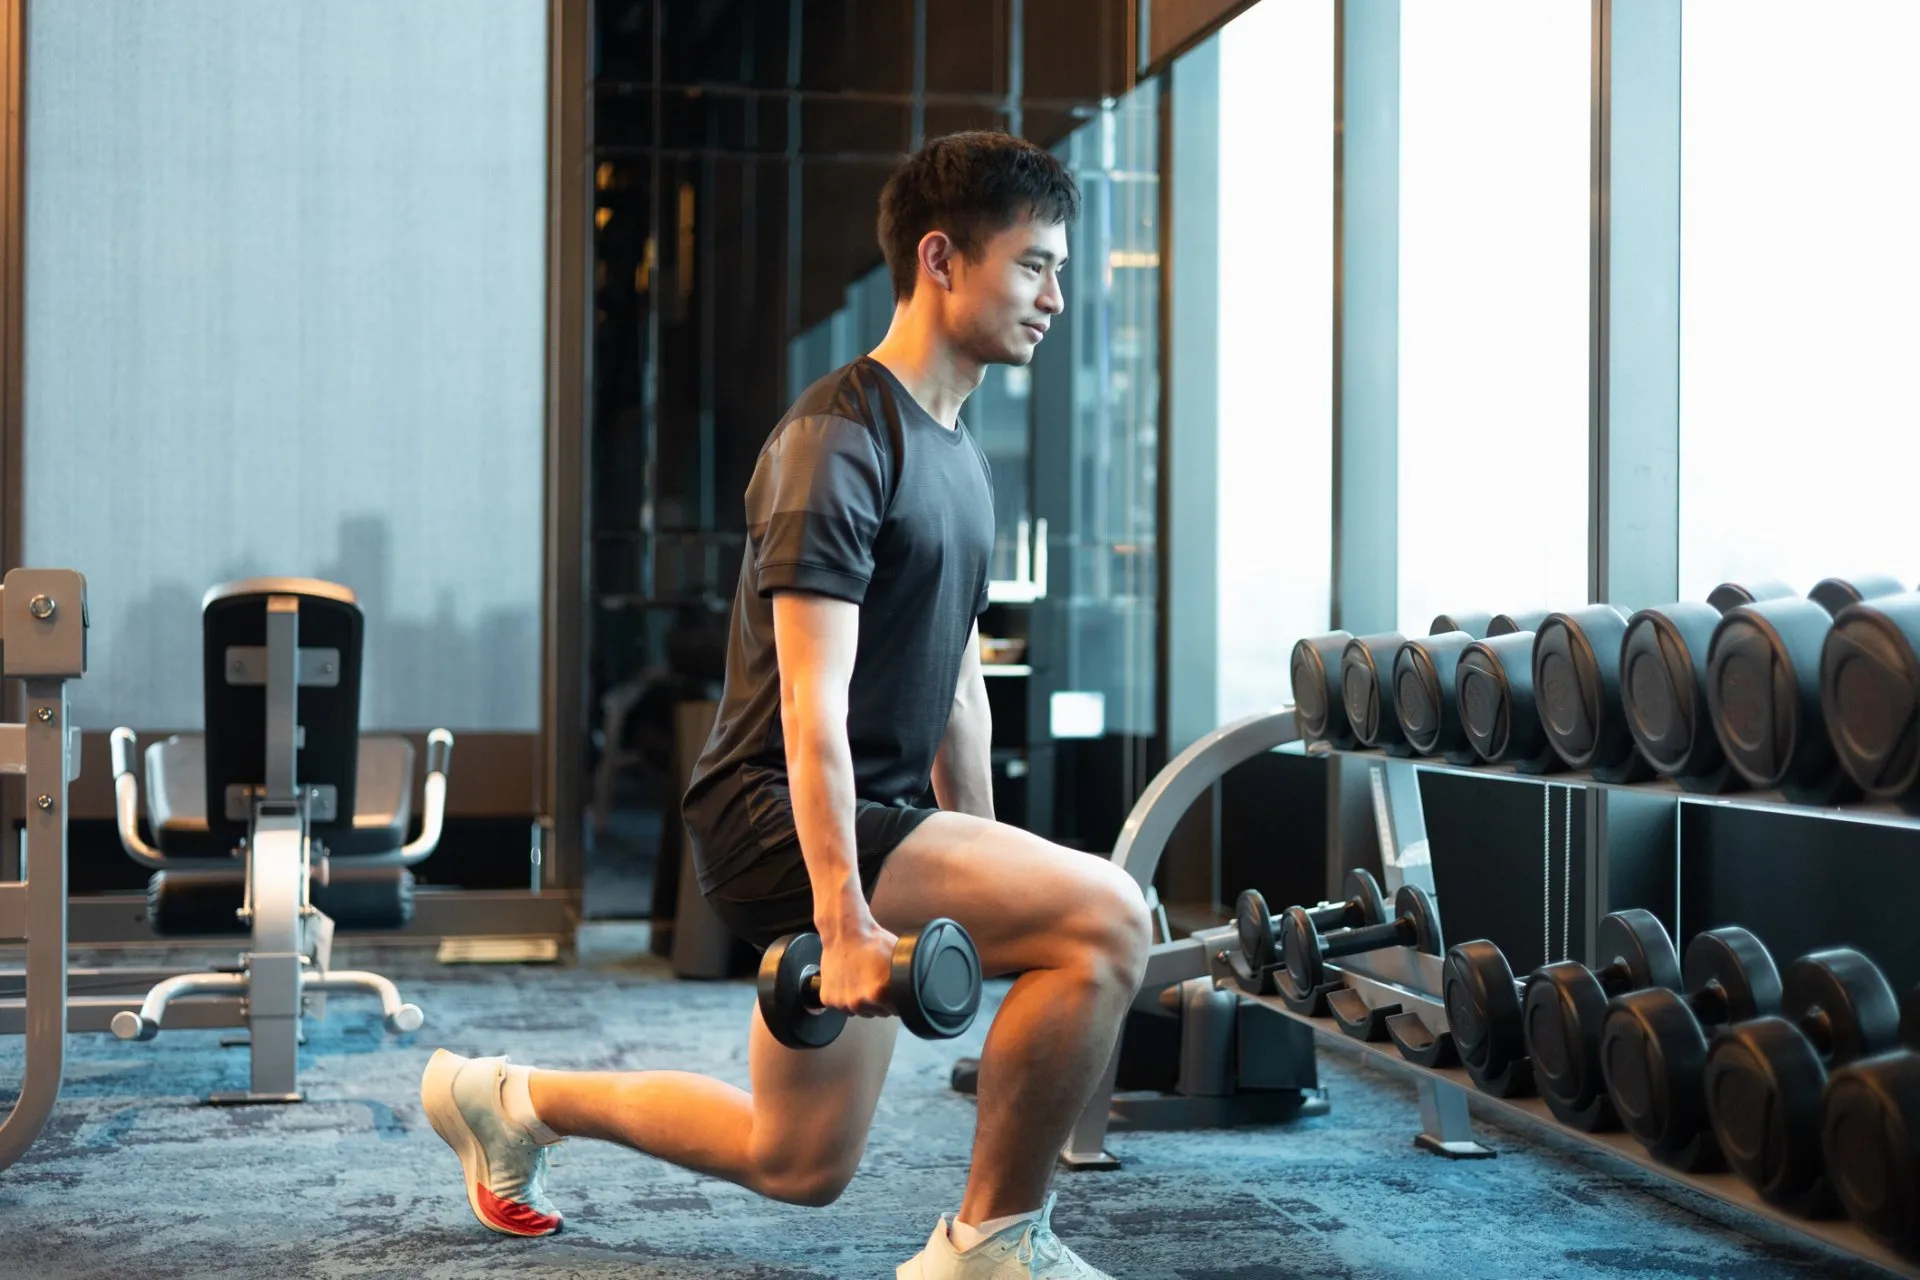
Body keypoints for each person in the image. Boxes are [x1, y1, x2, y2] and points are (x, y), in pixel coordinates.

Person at [420, 131, 1151, 1279]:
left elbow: (959, 686)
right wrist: (847, 916)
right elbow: (811, 708)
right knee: (1111, 914)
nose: (1055, 298)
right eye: (1033, 265)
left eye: (1058, 270)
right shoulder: (838, 439)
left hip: (880, 815)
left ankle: (507, 1098)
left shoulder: (960, 456)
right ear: (941, 259)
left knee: (796, 1157)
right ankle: (990, 1246)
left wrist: (992, 862)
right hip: (777, 817)